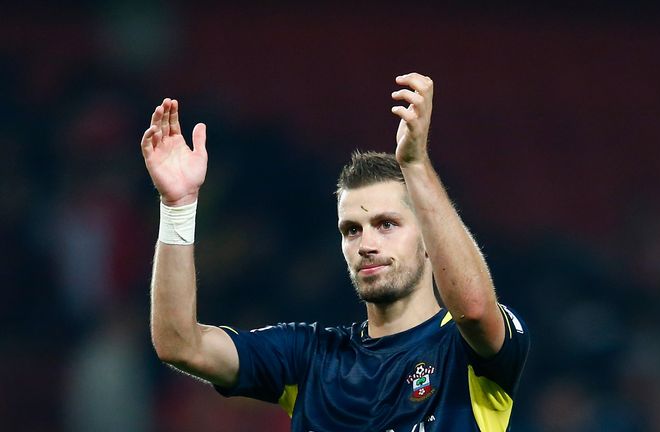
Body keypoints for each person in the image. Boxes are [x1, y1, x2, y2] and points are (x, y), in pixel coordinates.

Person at [140, 72, 530, 432]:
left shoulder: (465, 351)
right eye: (351, 230)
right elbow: (180, 344)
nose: (367, 244)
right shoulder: (308, 357)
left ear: (430, 239)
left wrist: (415, 164)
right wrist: (177, 207)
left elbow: (475, 308)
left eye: (387, 224)